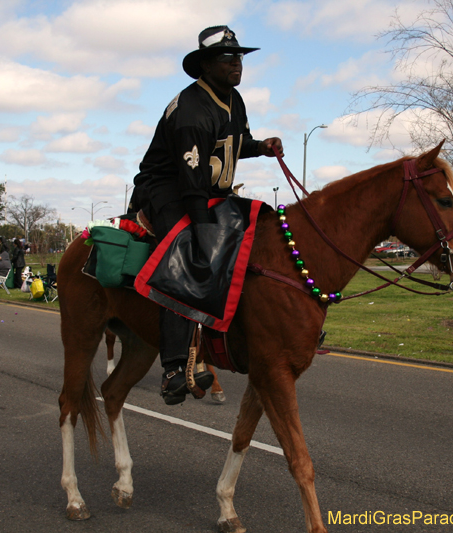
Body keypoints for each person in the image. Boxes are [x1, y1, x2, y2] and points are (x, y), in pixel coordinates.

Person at [131, 25, 283, 405]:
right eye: (228, 58)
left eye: (240, 57)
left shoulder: (234, 99)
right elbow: (191, 182)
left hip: (209, 189)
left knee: (260, 227)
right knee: (189, 258)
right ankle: (173, 368)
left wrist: (261, 146)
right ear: (206, 65)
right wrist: (201, 230)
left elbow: (233, 144)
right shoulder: (191, 110)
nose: (237, 64)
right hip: (168, 189)